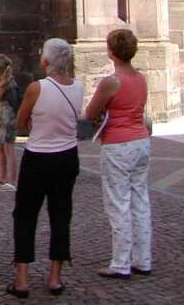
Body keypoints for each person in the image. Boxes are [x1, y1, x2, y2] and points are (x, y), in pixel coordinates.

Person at [8, 38, 83, 299]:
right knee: (61, 215)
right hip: (67, 157)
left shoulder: (37, 88)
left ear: (45, 61)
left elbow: (20, 123)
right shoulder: (78, 88)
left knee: (26, 215)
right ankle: (55, 277)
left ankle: (22, 280)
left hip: (39, 156)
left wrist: (35, 123)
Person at [85, 29, 152, 279]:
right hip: (141, 141)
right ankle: (143, 259)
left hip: (117, 144)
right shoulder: (142, 78)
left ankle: (121, 263)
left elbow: (90, 113)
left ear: (112, 52)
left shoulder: (111, 82)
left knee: (118, 204)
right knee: (140, 201)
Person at [0, 54, 18, 191]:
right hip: (6, 119)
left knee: (9, 148)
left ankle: (11, 180)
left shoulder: (7, 83)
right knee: (0, 147)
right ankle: (3, 177)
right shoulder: (6, 82)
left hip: (10, 120)